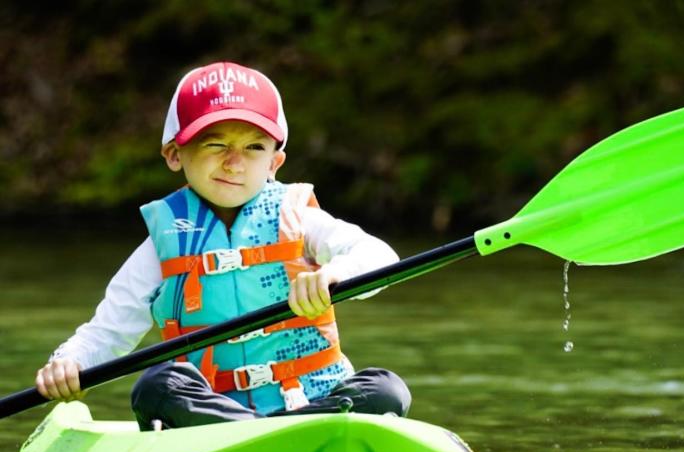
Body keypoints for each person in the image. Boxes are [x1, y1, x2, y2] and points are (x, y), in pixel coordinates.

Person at [34, 61, 411, 430]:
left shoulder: (299, 220)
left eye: (253, 148)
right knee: (156, 387)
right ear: (174, 154)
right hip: (213, 421)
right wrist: (68, 361)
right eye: (216, 144)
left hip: (311, 401)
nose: (234, 163)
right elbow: (108, 331)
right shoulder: (161, 246)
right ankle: (255, 435)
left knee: (387, 389)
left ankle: (290, 432)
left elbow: (380, 257)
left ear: (274, 162)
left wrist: (335, 273)